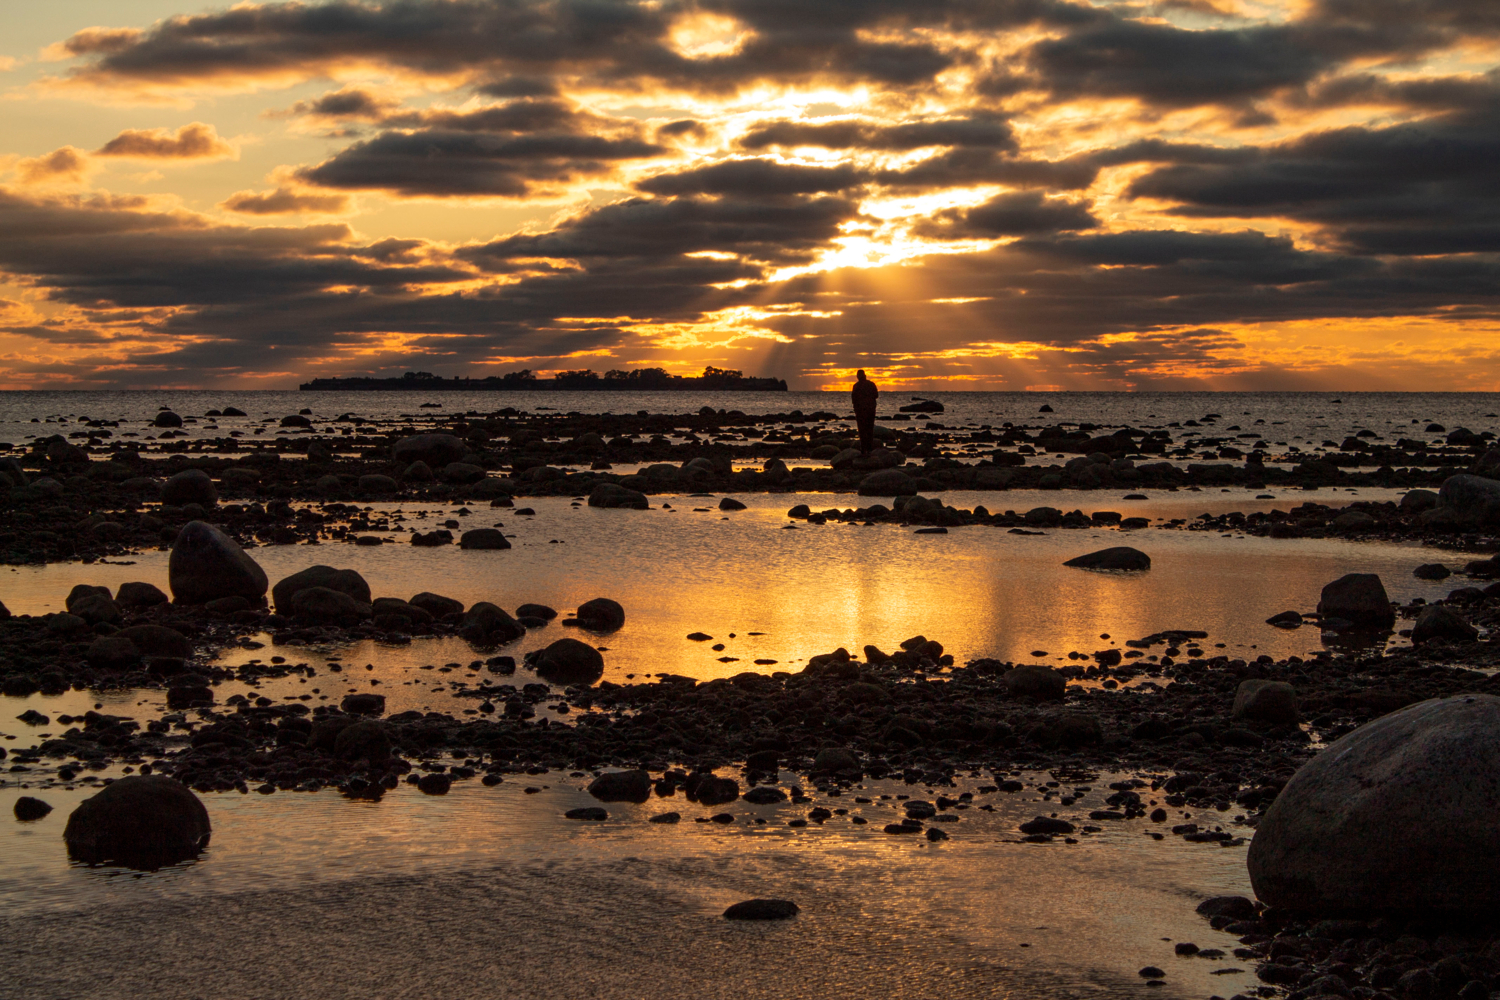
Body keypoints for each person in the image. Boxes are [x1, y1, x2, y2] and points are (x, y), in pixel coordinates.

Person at [852, 370, 878, 454]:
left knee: (862, 430)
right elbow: (876, 395)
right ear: (865, 375)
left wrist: (856, 408)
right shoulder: (871, 384)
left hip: (860, 411)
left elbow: (854, 399)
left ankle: (863, 449)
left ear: (858, 376)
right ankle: (869, 448)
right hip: (870, 410)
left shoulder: (856, 386)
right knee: (870, 429)